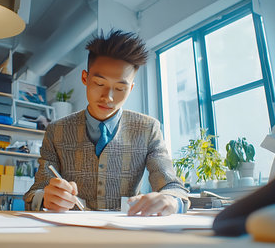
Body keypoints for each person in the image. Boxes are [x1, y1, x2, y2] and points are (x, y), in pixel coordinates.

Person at [24, 30, 189, 216]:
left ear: (131, 88)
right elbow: (34, 193)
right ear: (85, 78)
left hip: (126, 232)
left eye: (120, 88)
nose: (108, 97)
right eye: (99, 84)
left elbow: (173, 186)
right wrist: (45, 198)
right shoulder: (56, 131)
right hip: (70, 234)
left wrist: (170, 200)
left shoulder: (148, 129)